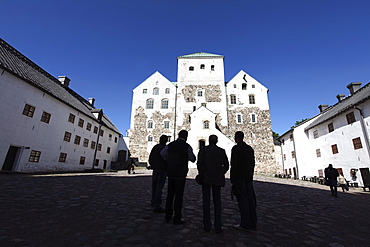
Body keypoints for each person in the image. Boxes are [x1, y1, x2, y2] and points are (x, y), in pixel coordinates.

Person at [161, 130, 196, 225]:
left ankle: (167, 216)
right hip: (181, 173)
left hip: (171, 172)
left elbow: (163, 153)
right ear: (186, 137)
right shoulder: (187, 146)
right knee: (179, 196)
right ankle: (177, 217)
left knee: (170, 194)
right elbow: (193, 158)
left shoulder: (171, 145)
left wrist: (170, 160)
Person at [197, 135, 229, 233]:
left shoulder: (203, 150)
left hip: (206, 178)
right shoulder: (221, 151)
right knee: (217, 202)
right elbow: (226, 165)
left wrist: (202, 173)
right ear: (217, 141)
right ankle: (218, 226)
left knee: (206, 202)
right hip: (217, 178)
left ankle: (206, 225)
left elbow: (199, 163)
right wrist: (221, 172)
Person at [230, 131, 257, 232]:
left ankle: (245, 224)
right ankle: (253, 223)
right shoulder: (249, 149)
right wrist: (251, 174)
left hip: (240, 177)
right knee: (251, 200)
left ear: (236, 137)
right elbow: (253, 163)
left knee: (243, 200)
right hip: (248, 177)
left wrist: (233, 179)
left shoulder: (236, 148)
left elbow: (234, 164)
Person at [149, 135, 168, 213]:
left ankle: (153, 201)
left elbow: (151, 157)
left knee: (154, 185)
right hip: (162, 169)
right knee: (159, 186)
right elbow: (167, 158)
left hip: (155, 168)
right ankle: (157, 205)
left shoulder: (155, 147)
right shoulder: (165, 148)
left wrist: (152, 165)